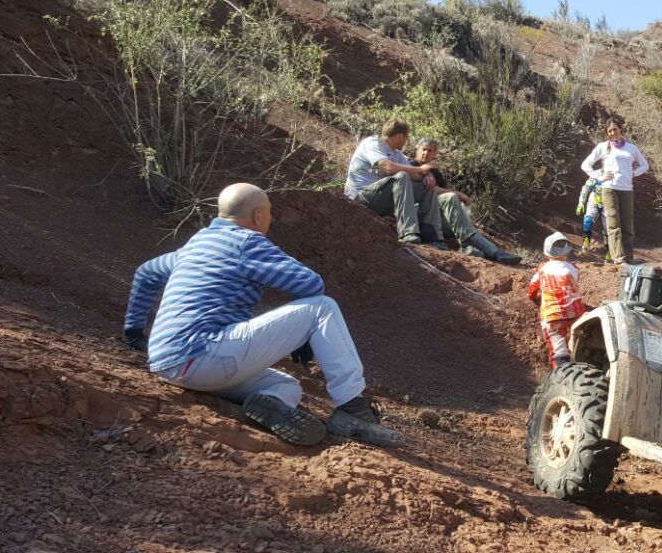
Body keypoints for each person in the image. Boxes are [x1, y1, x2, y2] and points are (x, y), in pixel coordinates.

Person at [121, 183, 403, 448]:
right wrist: (304, 337)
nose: (269, 219)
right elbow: (311, 284)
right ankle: (353, 409)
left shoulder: (195, 245)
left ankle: (268, 404)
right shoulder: (247, 242)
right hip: (205, 356)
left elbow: (146, 273)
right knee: (323, 307)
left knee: (285, 385)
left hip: (168, 364)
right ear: (258, 215)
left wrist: (134, 332)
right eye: (269, 212)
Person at [411, 137, 522, 265]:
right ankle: (494, 252)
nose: (426, 153)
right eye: (424, 149)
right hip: (422, 214)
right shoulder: (411, 166)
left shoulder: (435, 172)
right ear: (417, 149)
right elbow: (429, 189)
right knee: (451, 198)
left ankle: (471, 246)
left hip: (438, 217)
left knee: (459, 211)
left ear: (435, 153)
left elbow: (448, 190)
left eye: (430, 150)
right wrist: (457, 194)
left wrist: (457, 198)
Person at [344, 119, 445, 248]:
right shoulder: (373, 143)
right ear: (400, 136)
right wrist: (420, 169)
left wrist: (427, 175)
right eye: (406, 137)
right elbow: (388, 168)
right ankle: (408, 232)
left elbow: (415, 174)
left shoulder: (397, 154)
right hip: (359, 197)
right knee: (401, 176)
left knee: (426, 186)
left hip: (380, 197)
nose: (406, 141)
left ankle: (433, 238)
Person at [580, 121, 649, 265]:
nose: (612, 133)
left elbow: (644, 165)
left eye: (614, 129)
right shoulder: (602, 147)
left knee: (627, 224)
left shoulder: (631, 148)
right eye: (609, 131)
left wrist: (633, 173)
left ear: (620, 129)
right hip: (609, 188)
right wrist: (599, 177)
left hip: (627, 189)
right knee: (613, 223)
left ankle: (629, 257)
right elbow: (585, 165)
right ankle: (619, 259)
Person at [527, 232, 585, 368]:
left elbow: (531, 290)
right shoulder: (573, 268)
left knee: (559, 354)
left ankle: (562, 374)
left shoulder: (543, 269)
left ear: (546, 254)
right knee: (580, 349)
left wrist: (535, 299)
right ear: (567, 253)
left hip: (552, 315)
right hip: (577, 314)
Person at [574, 176, 607, 259]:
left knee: (609, 227)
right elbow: (586, 188)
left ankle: (609, 250)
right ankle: (585, 246)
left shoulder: (616, 174)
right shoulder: (596, 175)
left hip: (609, 203)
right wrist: (581, 202)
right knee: (587, 221)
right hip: (594, 201)